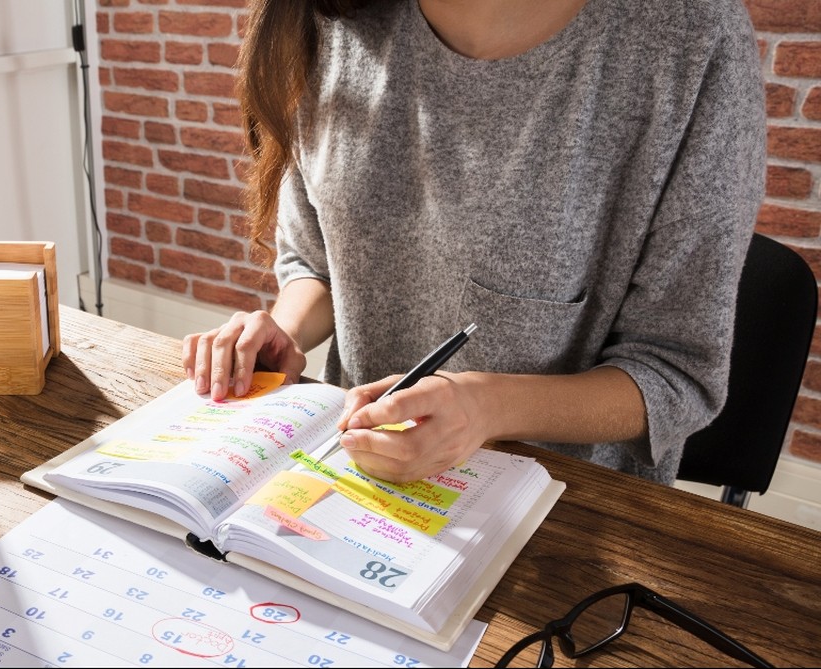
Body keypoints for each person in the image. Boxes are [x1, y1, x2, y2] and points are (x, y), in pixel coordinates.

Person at [180, 0, 767, 485]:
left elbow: (675, 373)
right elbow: (318, 262)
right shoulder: (329, 16)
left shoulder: (690, 37)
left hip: (561, 510)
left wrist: (485, 408)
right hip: (351, 478)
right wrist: (285, 330)